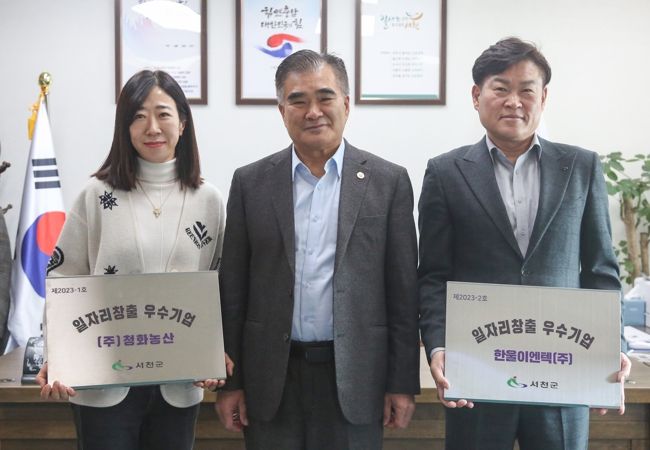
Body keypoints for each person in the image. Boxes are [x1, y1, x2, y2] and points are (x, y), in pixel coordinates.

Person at [417, 37, 631, 450]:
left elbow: (601, 271)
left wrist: (612, 345)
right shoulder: (445, 172)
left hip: (563, 375)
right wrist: (439, 346)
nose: (514, 101)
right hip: (476, 377)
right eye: (501, 88)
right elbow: (434, 276)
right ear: (477, 96)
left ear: (543, 98)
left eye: (527, 90)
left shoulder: (581, 166)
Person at [215, 49, 420, 449]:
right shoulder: (250, 183)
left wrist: (401, 382)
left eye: (325, 98)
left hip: (357, 379)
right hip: (270, 379)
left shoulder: (388, 182)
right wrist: (230, 383)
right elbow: (233, 291)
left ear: (346, 104)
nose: (313, 112)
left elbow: (402, 292)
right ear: (281, 110)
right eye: (298, 100)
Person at [36, 70, 232, 450]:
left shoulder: (209, 200)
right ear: (125, 128)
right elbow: (62, 279)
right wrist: (58, 356)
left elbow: (222, 285)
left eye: (163, 114)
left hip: (180, 382)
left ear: (183, 122)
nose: (152, 127)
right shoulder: (96, 195)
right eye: (138, 116)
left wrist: (216, 354)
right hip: (102, 382)